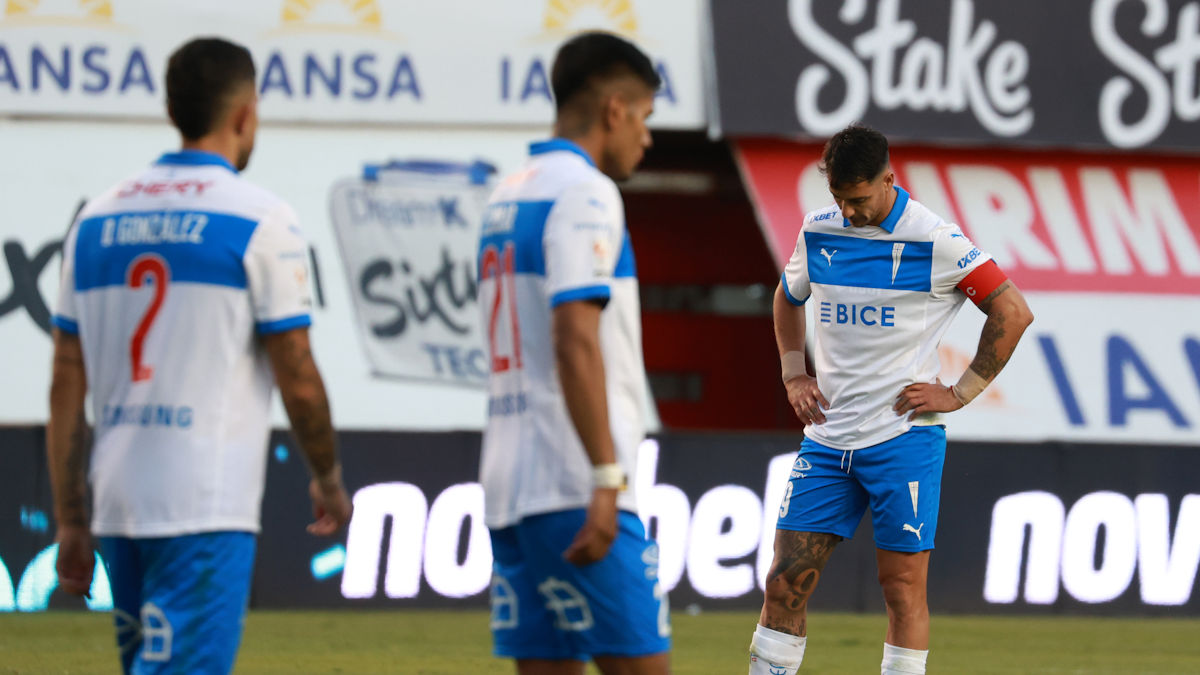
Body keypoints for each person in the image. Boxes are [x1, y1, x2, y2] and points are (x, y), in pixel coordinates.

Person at [46, 37, 352, 674]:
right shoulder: (259, 219)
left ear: (172, 107)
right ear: (244, 115)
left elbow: (65, 386)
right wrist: (327, 477)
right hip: (203, 505)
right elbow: (296, 373)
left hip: (120, 503)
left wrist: (72, 517)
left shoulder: (96, 221)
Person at [748, 125, 1034, 675]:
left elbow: (1012, 311)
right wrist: (792, 374)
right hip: (828, 440)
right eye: (838, 198)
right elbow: (788, 299)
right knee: (784, 583)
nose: (849, 211)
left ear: (889, 180)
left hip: (903, 439)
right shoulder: (819, 231)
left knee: (901, 590)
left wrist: (960, 392)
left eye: (858, 198)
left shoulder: (938, 240)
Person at [477, 31, 670, 675]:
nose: (646, 136)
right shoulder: (585, 192)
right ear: (614, 108)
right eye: (643, 117)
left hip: (510, 483)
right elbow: (574, 337)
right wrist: (606, 478)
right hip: (571, 477)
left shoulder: (506, 194)